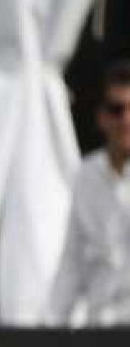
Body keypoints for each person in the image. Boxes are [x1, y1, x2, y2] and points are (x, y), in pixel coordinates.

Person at [50, 60, 130, 327]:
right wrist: (54, 324)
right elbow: (72, 259)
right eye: (117, 110)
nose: (125, 119)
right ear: (102, 117)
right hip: (101, 326)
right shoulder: (86, 175)